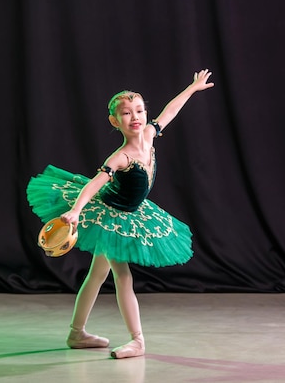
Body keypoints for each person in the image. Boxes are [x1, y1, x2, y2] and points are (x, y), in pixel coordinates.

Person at [26, 69, 214, 359]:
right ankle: (137, 340)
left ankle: (77, 333)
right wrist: (76, 210)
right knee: (121, 276)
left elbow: (170, 111)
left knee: (97, 274)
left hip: (132, 212)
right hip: (112, 217)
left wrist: (192, 88)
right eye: (126, 113)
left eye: (139, 110)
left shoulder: (150, 135)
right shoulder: (121, 157)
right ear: (115, 121)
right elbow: (93, 184)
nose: (135, 116)